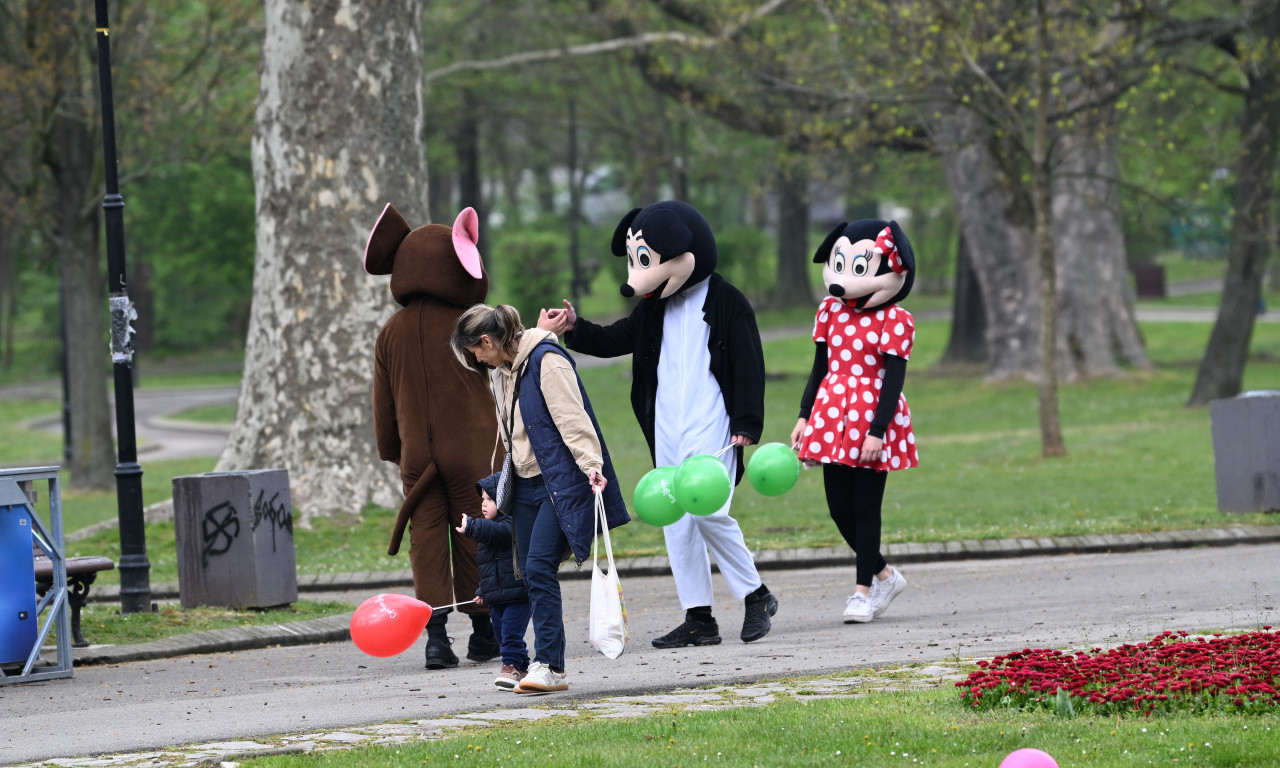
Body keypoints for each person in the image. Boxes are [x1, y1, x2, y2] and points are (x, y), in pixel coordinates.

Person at [541, 200, 778, 648]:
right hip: (667, 425)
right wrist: (574, 327)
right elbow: (616, 338)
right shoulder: (654, 307)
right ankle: (699, 617)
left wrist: (748, 421)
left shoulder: (728, 302)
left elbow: (750, 363)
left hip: (713, 422)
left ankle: (756, 594)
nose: (638, 277)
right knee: (677, 520)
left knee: (707, 508)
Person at [451, 303, 629, 695]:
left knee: (538, 567)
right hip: (524, 485)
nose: (476, 360)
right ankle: (533, 663)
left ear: (487, 341)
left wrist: (591, 464)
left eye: (475, 351)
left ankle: (549, 665)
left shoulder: (548, 361)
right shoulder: (501, 372)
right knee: (529, 572)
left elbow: (573, 418)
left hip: (558, 483)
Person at [365, 204, 500, 669]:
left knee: (425, 539)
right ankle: (483, 631)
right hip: (471, 449)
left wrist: (393, 450)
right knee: (474, 532)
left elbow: (383, 402)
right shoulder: (470, 324)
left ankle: (437, 639)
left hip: (417, 456)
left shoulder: (391, 331)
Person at [789, 218, 918, 624]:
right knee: (838, 508)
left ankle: (863, 592)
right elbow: (819, 368)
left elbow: (894, 381)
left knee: (865, 507)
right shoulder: (830, 311)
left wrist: (878, 431)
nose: (845, 281)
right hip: (832, 415)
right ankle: (886, 575)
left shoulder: (895, 319)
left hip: (873, 418)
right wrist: (804, 415)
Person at [456, 472, 531, 689]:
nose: (484, 504)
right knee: (501, 634)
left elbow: (500, 532)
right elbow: (491, 568)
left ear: (505, 501)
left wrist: (473, 527)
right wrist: (483, 590)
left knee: (510, 634)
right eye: (483, 499)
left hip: (518, 594)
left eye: (490, 499)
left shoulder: (513, 523)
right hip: (498, 598)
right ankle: (522, 667)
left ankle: (509, 666)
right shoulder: (489, 532)